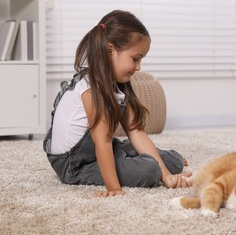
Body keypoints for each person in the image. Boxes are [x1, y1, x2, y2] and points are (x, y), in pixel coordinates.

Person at [43, 10, 192, 197]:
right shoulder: (91, 91)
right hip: (75, 164)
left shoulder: (117, 85)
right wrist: (113, 188)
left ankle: (162, 163)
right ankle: (141, 164)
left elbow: (136, 132)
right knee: (150, 171)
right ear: (110, 51)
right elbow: (103, 144)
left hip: (102, 147)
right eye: (135, 58)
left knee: (173, 162)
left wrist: (168, 176)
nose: (139, 67)